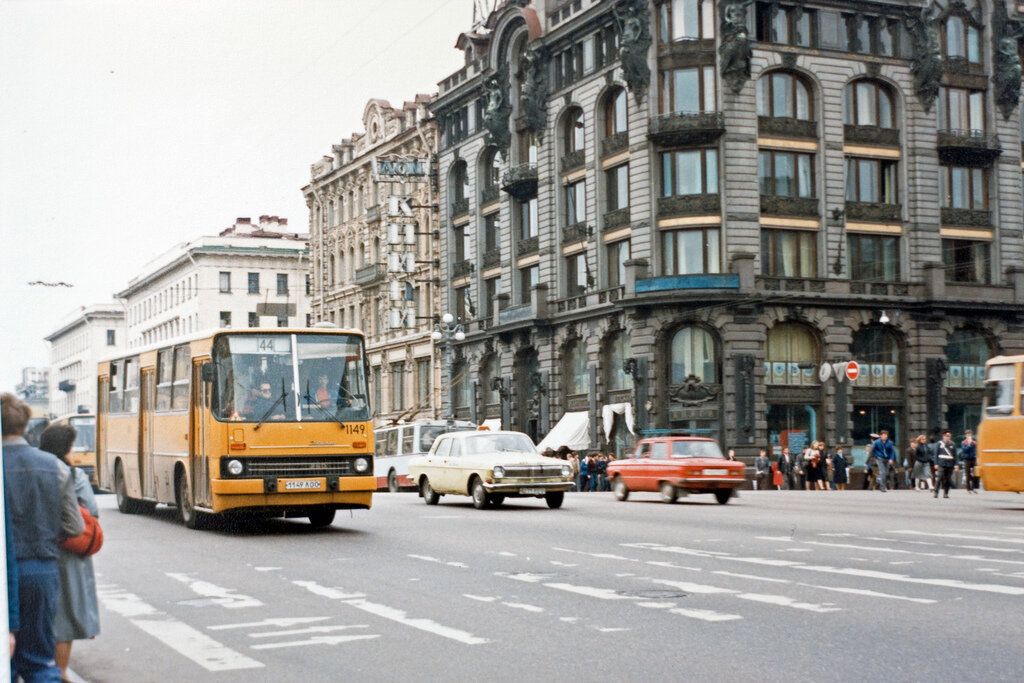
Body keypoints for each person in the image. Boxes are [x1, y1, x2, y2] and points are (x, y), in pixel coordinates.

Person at [2, 392, 84, 683]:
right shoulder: (55, 467)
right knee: (38, 660)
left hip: (4, 575)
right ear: (25, 425)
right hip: (43, 569)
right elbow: (75, 527)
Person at [38, 424, 100, 682]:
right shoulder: (73, 475)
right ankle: (61, 671)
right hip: (70, 553)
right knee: (65, 617)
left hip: (40, 548)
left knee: (42, 615)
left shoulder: (37, 468)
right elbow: (92, 511)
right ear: (65, 449)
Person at [933, 430, 960, 499]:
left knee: (947, 479)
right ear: (943, 436)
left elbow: (955, 455)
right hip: (941, 463)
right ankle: (936, 492)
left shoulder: (952, 444)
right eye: (947, 436)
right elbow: (936, 454)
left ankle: (946, 493)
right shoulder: (939, 444)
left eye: (949, 436)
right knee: (939, 478)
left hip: (950, 463)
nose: (948, 437)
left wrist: (956, 464)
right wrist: (936, 463)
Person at [961, 429, 978, 493]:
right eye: (968, 435)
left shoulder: (974, 442)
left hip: (973, 459)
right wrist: (969, 445)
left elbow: (976, 450)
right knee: (968, 474)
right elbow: (965, 450)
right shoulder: (964, 442)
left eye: (970, 435)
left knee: (974, 474)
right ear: (966, 436)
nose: (969, 436)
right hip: (967, 459)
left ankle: (973, 487)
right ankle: (968, 488)